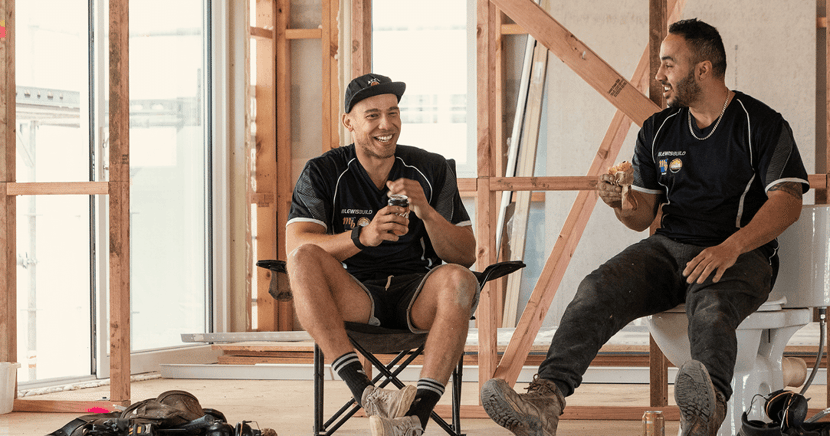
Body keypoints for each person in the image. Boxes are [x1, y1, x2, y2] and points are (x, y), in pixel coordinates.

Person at [480, 18, 810, 436]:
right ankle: (545, 402)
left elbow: (788, 203)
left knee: (709, 306)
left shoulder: (761, 124)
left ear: (703, 69)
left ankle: (707, 412)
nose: (659, 75)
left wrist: (731, 247)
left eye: (669, 64)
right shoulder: (658, 130)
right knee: (597, 288)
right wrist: (622, 203)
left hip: (742, 254)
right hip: (670, 249)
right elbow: (640, 218)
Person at [285, 73, 478, 436]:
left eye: (393, 113)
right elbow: (297, 243)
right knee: (300, 260)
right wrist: (363, 236)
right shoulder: (324, 171)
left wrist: (426, 210)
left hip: (418, 295)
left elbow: (466, 254)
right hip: (356, 295)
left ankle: (415, 419)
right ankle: (366, 393)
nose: (386, 124)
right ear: (350, 123)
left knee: (460, 279)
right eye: (372, 115)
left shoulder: (432, 167)